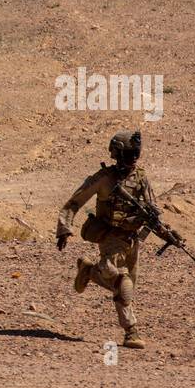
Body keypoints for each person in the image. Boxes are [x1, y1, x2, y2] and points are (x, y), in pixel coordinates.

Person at [56, 130, 157, 349]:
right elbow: (75, 202)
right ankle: (131, 332)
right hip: (110, 236)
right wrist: (64, 228)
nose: (133, 159)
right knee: (122, 283)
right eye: (129, 154)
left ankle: (89, 271)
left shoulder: (140, 177)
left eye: (135, 154)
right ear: (117, 154)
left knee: (125, 288)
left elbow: (152, 208)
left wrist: (152, 222)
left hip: (132, 240)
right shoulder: (104, 179)